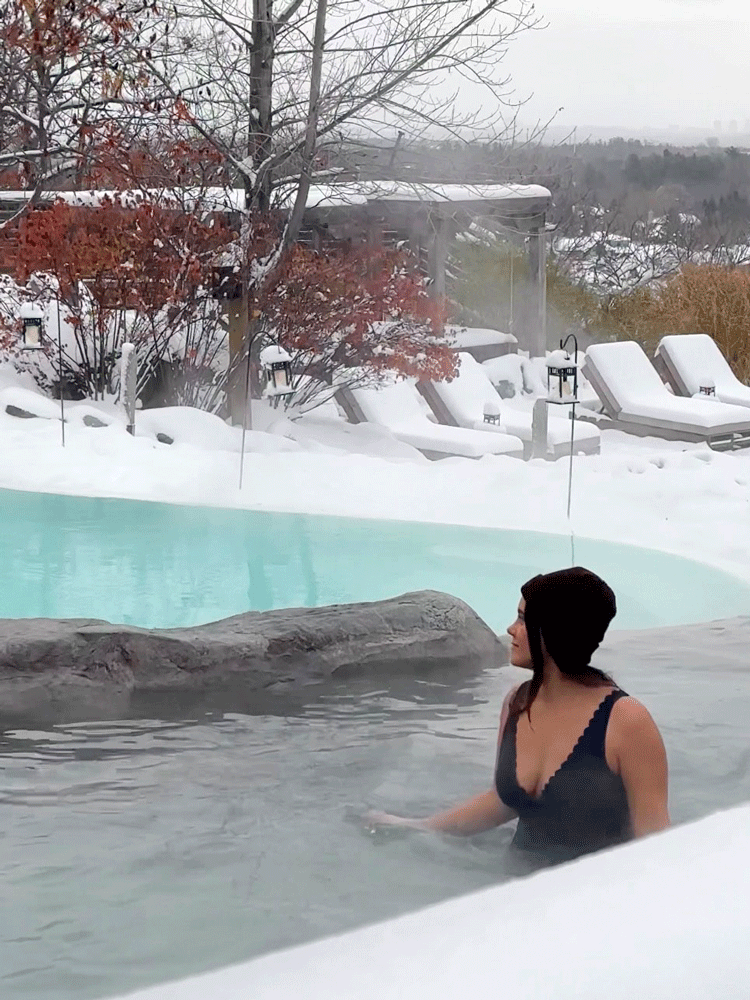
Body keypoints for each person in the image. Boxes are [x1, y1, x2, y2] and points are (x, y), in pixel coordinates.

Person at [366, 567, 670, 866]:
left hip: (591, 897)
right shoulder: (518, 702)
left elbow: (655, 841)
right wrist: (415, 828)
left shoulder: (626, 721)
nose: (511, 629)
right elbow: (502, 802)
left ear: (554, 628)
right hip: (516, 894)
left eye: (523, 619)